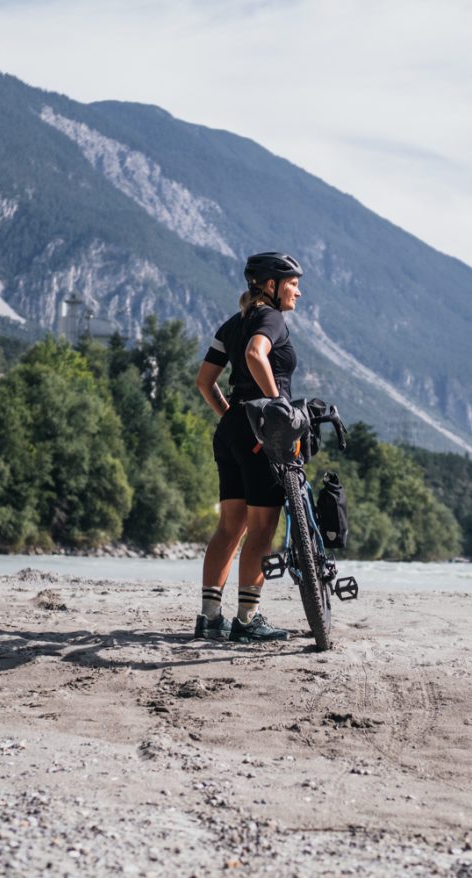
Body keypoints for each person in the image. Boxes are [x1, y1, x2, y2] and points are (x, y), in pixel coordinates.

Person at [193, 252, 304, 642]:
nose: (298, 292)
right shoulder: (271, 318)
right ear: (271, 286)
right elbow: (256, 354)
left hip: (231, 428)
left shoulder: (232, 323)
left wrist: (231, 415)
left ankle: (209, 618)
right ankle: (246, 618)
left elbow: (205, 382)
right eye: (293, 284)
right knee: (261, 528)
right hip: (260, 430)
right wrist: (278, 407)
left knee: (230, 525)